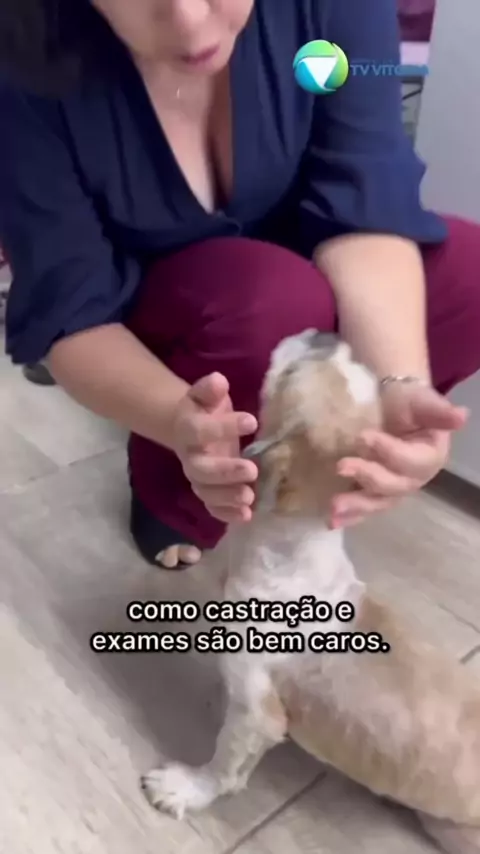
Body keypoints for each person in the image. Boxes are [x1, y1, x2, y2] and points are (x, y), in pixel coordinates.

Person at [0, 0, 479, 570]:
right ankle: (173, 480)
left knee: (467, 271)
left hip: (296, 250)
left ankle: (299, 450)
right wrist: (177, 421)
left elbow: (366, 195)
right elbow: (69, 306)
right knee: (266, 299)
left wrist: (397, 382)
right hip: (165, 299)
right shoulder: (24, 62)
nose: (188, 19)